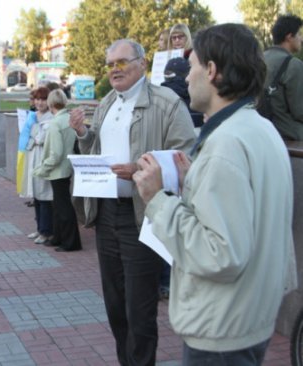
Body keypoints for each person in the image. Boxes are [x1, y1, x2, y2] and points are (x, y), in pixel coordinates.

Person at [133, 23, 297, 366]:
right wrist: (195, 182)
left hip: (221, 329)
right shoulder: (260, 129)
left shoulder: (225, 144)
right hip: (251, 316)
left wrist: (157, 198)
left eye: (192, 67)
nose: (188, 77)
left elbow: (218, 253)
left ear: (211, 71)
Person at [69, 39, 195, 365]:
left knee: (139, 311)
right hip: (107, 213)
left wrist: (139, 170)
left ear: (142, 62)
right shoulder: (109, 101)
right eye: (110, 64)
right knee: (115, 307)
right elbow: (97, 145)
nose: (115, 69)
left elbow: (186, 160)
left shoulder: (167, 103)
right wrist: (83, 133)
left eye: (122, 62)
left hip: (143, 216)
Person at [33, 89, 81, 252]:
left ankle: (70, 243)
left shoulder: (55, 123)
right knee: (60, 206)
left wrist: (40, 170)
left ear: (50, 103)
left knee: (62, 207)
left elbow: (56, 154)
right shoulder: (68, 119)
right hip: (67, 167)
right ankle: (58, 238)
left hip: (58, 169)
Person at [20, 86, 54, 245]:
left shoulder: (50, 118)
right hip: (32, 157)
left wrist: (32, 140)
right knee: (36, 197)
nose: (40, 102)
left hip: (43, 157)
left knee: (44, 196)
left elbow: (41, 139)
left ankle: (46, 231)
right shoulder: (32, 116)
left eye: (43, 99)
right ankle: (40, 228)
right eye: (37, 99)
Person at [263, 15, 303, 140]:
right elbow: (299, 111)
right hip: (289, 136)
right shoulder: (293, 64)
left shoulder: (258, 59)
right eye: (299, 34)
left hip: (262, 132)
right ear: (289, 37)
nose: (301, 39)